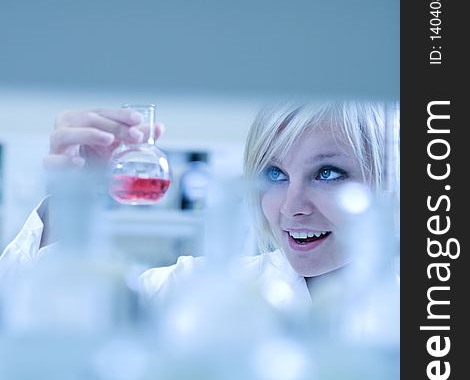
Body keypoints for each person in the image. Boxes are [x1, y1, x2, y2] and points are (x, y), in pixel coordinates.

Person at [0, 101, 390, 307]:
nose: (291, 206)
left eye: (327, 173)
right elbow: (28, 312)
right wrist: (72, 196)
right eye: (274, 174)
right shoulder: (201, 292)